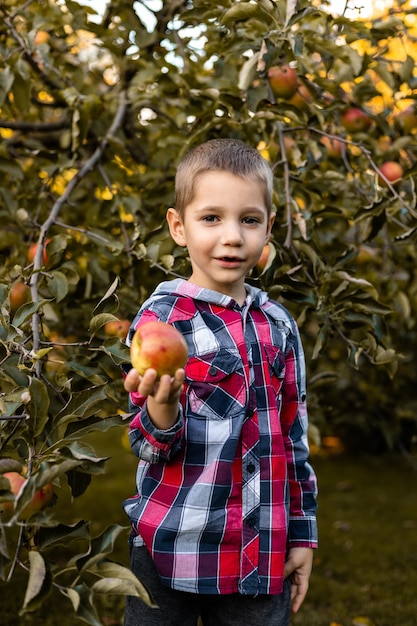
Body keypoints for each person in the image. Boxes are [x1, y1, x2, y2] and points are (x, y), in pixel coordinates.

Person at [122, 138, 318, 626]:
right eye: (211, 218)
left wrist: (302, 535)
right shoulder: (161, 321)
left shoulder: (279, 325)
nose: (232, 236)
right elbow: (143, 441)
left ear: (268, 229)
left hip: (259, 554)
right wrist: (163, 411)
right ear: (178, 227)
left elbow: (294, 440)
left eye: (249, 220)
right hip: (170, 550)